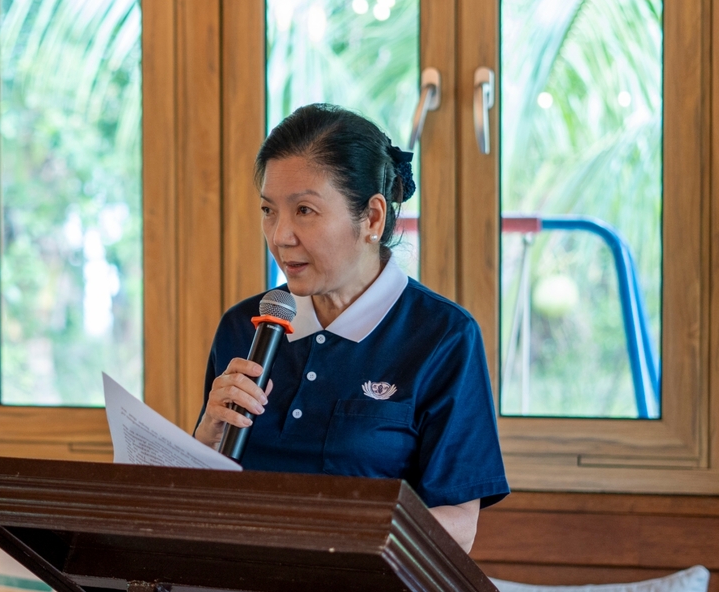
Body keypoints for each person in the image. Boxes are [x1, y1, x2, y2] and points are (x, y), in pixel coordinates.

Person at [194, 103, 508, 553]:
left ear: (373, 218)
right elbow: (198, 499)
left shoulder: (443, 337)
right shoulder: (243, 329)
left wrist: (329, 540)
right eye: (268, 210)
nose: (280, 235)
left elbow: (457, 523)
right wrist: (206, 433)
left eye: (304, 210)